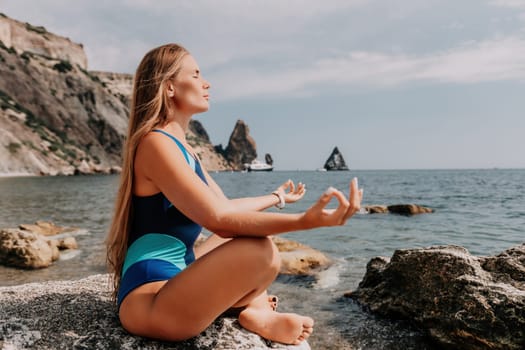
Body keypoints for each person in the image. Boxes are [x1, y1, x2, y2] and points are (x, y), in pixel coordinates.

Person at [106, 43, 363, 346]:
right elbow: (221, 221)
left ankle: (253, 312)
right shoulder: (155, 144)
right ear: (171, 87)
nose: (207, 83)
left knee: (247, 238)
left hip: (174, 280)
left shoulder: (183, 148)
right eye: (197, 74)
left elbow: (224, 207)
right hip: (150, 303)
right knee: (260, 251)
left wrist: (276, 198)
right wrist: (307, 221)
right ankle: (254, 310)